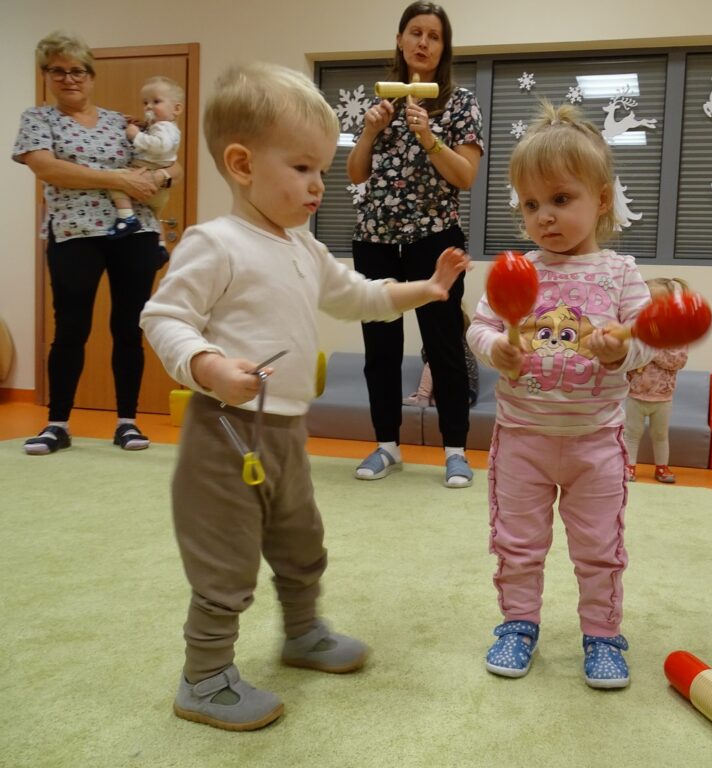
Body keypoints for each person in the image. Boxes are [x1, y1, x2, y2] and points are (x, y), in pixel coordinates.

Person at [139, 62, 470, 731]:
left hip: (287, 433)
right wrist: (206, 364)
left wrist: (427, 292)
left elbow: (363, 296)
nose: (318, 184)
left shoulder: (303, 246)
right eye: (301, 168)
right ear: (240, 163)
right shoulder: (216, 243)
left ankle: (301, 633)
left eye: (323, 168)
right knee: (225, 559)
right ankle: (204, 676)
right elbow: (162, 318)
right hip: (225, 433)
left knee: (301, 542)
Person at [467, 102, 654, 689]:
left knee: (600, 547)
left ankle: (602, 634)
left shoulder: (621, 272)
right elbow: (479, 325)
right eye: (530, 204)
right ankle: (518, 625)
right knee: (517, 543)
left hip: (596, 442)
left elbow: (647, 337)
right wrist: (493, 348)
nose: (544, 216)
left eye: (561, 199)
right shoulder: (516, 269)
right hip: (522, 439)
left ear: (600, 200)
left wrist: (619, 352)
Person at [12, 31, 179, 455]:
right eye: (58, 71)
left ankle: (127, 422)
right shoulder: (39, 120)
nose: (69, 78)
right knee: (70, 328)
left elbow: (167, 160)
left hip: (134, 233)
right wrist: (119, 178)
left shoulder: (119, 120)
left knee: (128, 328)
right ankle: (57, 424)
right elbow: (49, 168)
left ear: (91, 75)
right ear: (47, 75)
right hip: (73, 234)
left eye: (77, 70)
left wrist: (160, 178)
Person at [346, 1, 484, 488]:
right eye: (416, 32)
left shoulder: (461, 103)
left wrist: (428, 138)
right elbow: (356, 173)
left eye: (434, 35)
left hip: (435, 239)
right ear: (401, 40)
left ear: (443, 48)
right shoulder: (378, 102)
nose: (424, 42)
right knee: (379, 346)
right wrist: (368, 131)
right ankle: (387, 445)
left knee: (443, 346)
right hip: (376, 237)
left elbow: (465, 177)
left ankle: (454, 450)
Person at [623, 277, 689, 484]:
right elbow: (626, 360)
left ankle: (661, 467)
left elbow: (678, 360)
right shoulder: (636, 330)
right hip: (635, 394)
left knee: (660, 435)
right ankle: (629, 466)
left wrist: (651, 351)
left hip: (662, 397)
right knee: (631, 433)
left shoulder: (676, 333)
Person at [107, 76, 183, 241]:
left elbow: (160, 146)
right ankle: (161, 244)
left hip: (149, 174)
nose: (149, 106)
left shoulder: (165, 127)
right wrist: (142, 126)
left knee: (117, 181)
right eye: (145, 103)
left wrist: (136, 136)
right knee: (154, 217)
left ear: (176, 109)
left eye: (156, 101)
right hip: (159, 188)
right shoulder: (161, 127)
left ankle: (126, 217)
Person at [403, 307, 479, 407]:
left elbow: (426, 355)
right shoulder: (465, 348)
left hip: (462, 393)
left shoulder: (449, 345)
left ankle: (422, 397)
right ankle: (433, 399)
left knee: (434, 361)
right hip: (469, 395)